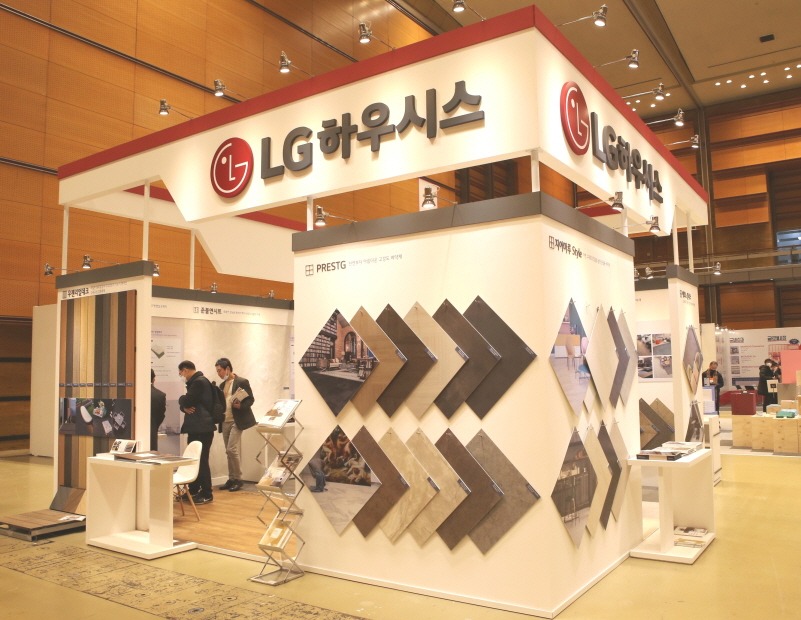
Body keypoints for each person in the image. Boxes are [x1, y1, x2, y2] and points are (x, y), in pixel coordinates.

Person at [215, 357, 256, 492]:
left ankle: (238, 478)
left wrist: (241, 406)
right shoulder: (222, 385)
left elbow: (250, 399)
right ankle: (231, 478)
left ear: (227, 369)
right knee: (228, 451)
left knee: (231, 449)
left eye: (220, 370)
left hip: (237, 420)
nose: (218, 373)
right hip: (225, 420)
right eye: (217, 371)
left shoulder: (241, 382)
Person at [178, 360, 216, 504]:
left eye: (180, 373)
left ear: (185, 370)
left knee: (201, 460)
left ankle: (207, 493)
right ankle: (193, 490)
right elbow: (187, 405)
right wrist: (184, 407)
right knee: (194, 459)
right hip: (198, 427)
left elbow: (187, 401)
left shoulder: (199, 382)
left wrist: (181, 400)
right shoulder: (197, 382)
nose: (181, 376)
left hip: (202, 428)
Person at [150, 368, 166, 450]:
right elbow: (161, 415)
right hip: (152, 431)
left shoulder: (132, 392)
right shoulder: (160, 395)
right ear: (154, 379)